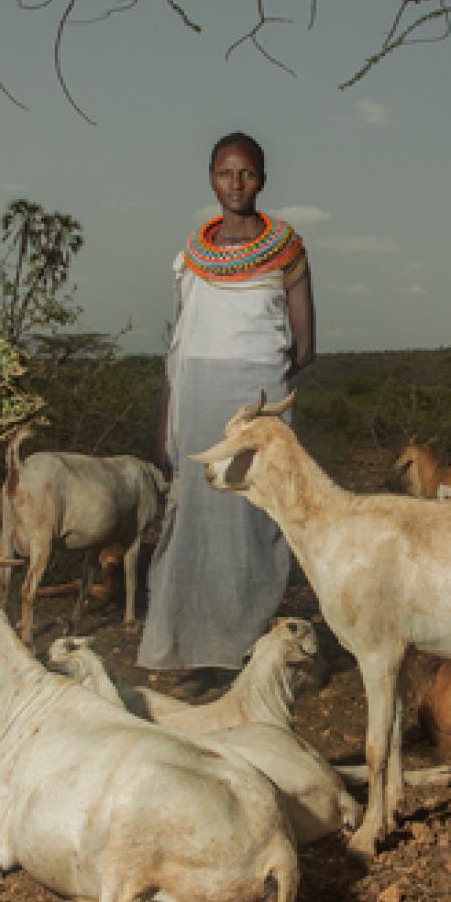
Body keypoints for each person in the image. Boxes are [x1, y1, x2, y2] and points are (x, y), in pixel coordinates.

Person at [138, 132, 316, 695]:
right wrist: (167, 421)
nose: (235, 184)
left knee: (251, 520)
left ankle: (246, 648)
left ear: (262, 178)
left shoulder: (285, 247)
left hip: (255, 398)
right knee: (194, 517)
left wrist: (261, 388)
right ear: (210, 178)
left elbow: (305, 344)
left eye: (246, 174)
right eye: (224, 173)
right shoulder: (192, 253)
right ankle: (196, 652)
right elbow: (177, 348)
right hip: (194, 396)